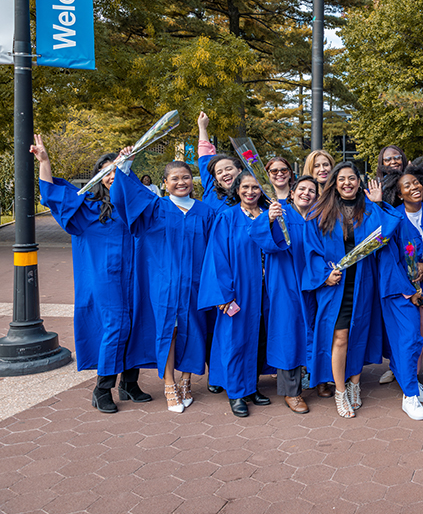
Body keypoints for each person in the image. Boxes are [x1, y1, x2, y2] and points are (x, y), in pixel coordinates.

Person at [32, 136, 156, 413]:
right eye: (108, 172)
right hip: (106, 278)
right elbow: (53, 194)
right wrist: (45, 161)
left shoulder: (134, 205)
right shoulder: (87, 208)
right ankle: (102, 388)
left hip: (137, 276)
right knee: (116, 326)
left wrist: (129, 168)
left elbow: (151, 205)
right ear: (98, 177)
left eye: (118, 171)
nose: (113, 176)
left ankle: (129, 383)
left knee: (137, 323)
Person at [112, 158, 216, 413]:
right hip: (164, 286)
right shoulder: (155, 208)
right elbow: (125, 199)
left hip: (195, 285)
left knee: (194, 330)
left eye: (186, 177)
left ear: (193, 181)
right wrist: (123, 168)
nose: (181, 182)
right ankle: (169, 383)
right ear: (165, 183)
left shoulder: (206, 212)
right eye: (175, 179)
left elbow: (217, 251)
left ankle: (186, 381)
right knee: (168, 331)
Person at [301, 162, 397, 418]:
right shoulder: (319, 213)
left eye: (352, 178)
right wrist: (324, 275)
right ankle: (340, 391)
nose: (347, 183)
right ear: (334, 182)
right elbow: (310, 249)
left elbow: (386, 231)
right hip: (336, 284)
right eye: (342, 178)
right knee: (340, 336)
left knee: (360, 332)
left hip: (363, 281)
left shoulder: (368, 210)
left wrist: (377, 202)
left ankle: (355, 384)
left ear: (358, 181)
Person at [198, 172, 273, 417]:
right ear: (237, 189)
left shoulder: (269, 215)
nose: (251, 191)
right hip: (238, 290)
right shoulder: (227, 217)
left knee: (258, 339)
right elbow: (217, 257)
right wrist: (224, 294)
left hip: (266, 290)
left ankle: (251, 387)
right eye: (246, 187)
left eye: (256, 187)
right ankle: (236, 393)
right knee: (234, 340)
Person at [248, 176, 320, 414]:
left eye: (312, 190)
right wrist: (268, 219)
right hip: (285, 283)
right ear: (292, 191)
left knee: (311, 330)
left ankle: (315, 380)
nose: (306, 193)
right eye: (302, 189)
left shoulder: (316, 218)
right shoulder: (280, 213)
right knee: (287, 334)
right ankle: (292, 392)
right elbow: (262, 240)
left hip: (312, 283)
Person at [381, 160, 423, 399]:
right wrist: (408, 286)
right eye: (407, 185)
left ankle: (411, 377)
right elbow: (389, 256)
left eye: (417, 182)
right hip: (402, 286)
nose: (414, 187)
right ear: (399, 193)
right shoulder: (394, 218)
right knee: (409, 333)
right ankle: (408, 383)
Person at [197, 112, 243, 216]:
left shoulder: (250, 193)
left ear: (239, 170)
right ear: (216, 177)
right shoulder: (211, 189)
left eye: (228, 169)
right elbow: (205, 155)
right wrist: (202, 128)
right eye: (219, 172)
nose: (225, 173)